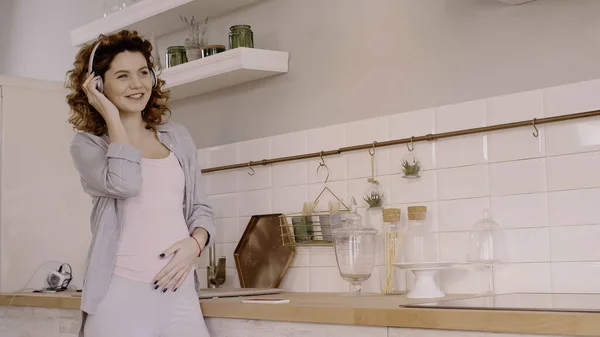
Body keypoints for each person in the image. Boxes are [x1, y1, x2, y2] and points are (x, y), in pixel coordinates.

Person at [65, 29, 215, 337]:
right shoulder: (88, 146)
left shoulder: (177, 136)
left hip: (180, 294)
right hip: (121, 297)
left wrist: (195, 244)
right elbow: (125, 184)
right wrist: (111, 116)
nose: (137, 85)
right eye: (122, 76)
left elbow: (200, 207)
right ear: (96, 85)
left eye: (143, 72)